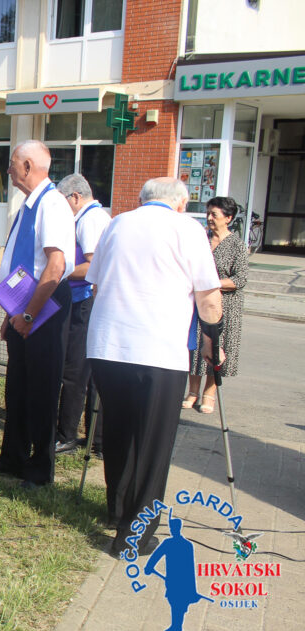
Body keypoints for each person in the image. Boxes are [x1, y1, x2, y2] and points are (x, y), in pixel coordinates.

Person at [86, 177, 223, 557]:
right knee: (153, 444)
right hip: (158, 351)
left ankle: (118, 510)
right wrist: (213, 343)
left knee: (118, 431)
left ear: (142, 198)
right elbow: (209, 297)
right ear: (181, 203)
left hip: (108, 346)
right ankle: (134, 535)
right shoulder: (187, 229)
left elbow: (95, 284)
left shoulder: (118, 223)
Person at [0, 141, 74, 488]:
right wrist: (12, 313)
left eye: (12, 163)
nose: (8, 170)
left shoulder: (52, 204)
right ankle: (13, 456)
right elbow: (22, 264)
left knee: (42, 389)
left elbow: (55, 266)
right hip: (24, 305)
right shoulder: (29, 204)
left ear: (29, 166)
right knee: (17, 386)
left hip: (44, 306)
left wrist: (30, 315)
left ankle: (39, 468)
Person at [54, 173, 110, 455]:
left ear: (75, 196)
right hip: (86, 302)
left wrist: (59, 272)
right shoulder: (93, 217)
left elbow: (92, 267)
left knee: (74, 372)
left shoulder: (90, 220)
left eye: (62, 201)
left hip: (85, 302)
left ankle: (67, 435)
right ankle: (95, 439)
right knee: (86, 373)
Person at [185, 195, 249, 414]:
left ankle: (209, 394)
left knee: (216, 347)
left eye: (214, 214)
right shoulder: (201, 239)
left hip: (226, 305)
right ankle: (192, 392)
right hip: (199, 302)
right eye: (208, 213)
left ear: (228, 218)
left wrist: (211, 283)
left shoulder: (237, 245)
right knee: (195, 347)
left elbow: (240, 279)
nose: (209, 218)